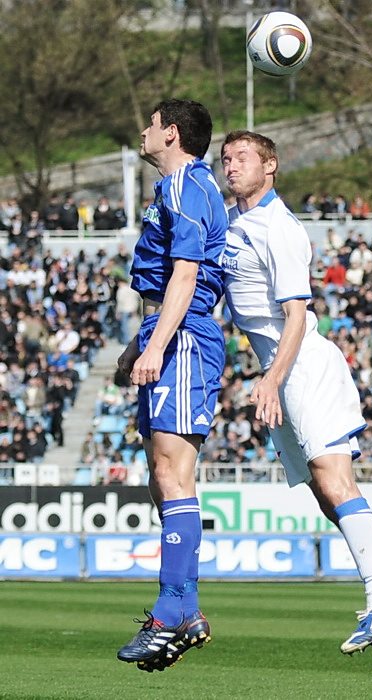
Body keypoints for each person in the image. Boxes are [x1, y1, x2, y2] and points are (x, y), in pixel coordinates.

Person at [220, 130, 372, 673]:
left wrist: (272, 379)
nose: (231, 165)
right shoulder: (233, 222)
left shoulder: (280, 227)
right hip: (280, 370)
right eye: (226, 158)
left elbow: (295, 314)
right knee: (322, 492)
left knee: (334, 481)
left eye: (243, 157)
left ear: (270, 165)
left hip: (302, 365)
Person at [115, 99, 228, 672]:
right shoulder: (179, 187)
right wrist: (138, 345)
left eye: (152, 123)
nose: (143, 131)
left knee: (171, 472)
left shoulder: (186, 184)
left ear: (172, 133)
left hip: (181, 335)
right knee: (162, 479)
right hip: (167, 330)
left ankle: (170, 613)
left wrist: (157, 344)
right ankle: (183, 607)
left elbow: (186, 274)